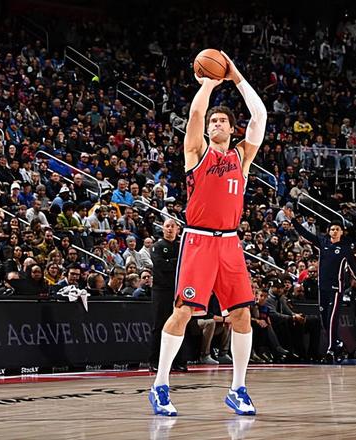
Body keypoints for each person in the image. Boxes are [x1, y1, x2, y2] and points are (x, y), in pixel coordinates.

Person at [149, 51, 266, 417]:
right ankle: (160, 385)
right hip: (198, 239)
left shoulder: (241, 157)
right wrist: (209, 84)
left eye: (222, 121)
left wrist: (236, 76)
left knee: (242, 315)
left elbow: (260, 116)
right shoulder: (197, 151)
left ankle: (238, 389)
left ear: (231, 130)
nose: (215, 123)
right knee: (183, 311)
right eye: (213, 120)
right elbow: (195, 115)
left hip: (230, 242)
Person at [289, 209, 356, 362]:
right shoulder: (323, 242)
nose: (334, 231)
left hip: (336, 288)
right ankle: (338, 344)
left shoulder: (345, 249)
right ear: (328, 231)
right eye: (332, 229)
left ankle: (331, 350)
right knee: (325, 320)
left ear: (342, 232)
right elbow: (306, 234)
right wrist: (293, 220)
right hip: (323, 288)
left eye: (337, 229)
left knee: (332, 318)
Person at [149, 219, 182, 371]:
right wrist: (175, 262)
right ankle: (154, 362)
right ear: (163, 229)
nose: (169, 229)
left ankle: (177, 361)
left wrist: (171, 262)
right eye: (167, 226)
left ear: (177, 229)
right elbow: (161, 265)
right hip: (161, 290)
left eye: (172, 226)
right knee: (159, 325)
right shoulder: (157, 246)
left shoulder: (180, 246)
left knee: (178, 325)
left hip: (177, 290)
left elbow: (185, 263)